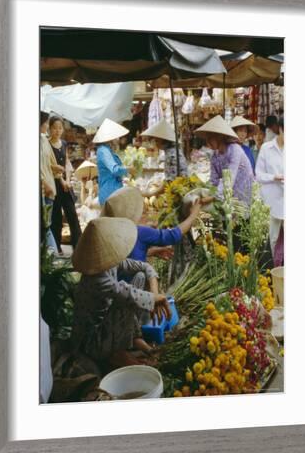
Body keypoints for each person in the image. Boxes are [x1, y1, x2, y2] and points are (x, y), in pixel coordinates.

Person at [71, 217, 171, 366]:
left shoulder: (110, 263)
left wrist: (155, 294)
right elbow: (127, 293)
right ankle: (118, 354)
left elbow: (145, 267)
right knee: (127, 299)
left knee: (139, 276)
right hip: (92, 340)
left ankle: (136, 340)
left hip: (108, 323)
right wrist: (155, 299)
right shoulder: (95, 279)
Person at [102, 186, 204, 263]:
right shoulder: (138, 232)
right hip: (131, 285)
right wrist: (193, 214)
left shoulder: (108, 235)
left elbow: (126, 259)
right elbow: (171, 236)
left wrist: (151, 252)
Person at [195, 115, 255, 206]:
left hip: (245, 196)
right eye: (207, 139)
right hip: (231, 198)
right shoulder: (215, 156)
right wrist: (205, 191)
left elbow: (229, 177)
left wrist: (213, 197)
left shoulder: (235, 150)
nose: (208, 142)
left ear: (219, 137)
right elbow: (213, 181)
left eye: (210, 138)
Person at [48, 115, 82, 254]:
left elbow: (67, 163)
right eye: (54, 128)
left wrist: (68, 180)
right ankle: (57, 248)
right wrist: (62, 180)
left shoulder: (64, 143)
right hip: (54, 185)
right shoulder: (47, 144)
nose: (57, 131)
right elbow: (50, 166)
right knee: (56, 217)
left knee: (72, 215)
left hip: (66, 186)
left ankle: (78, 247)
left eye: (60, 128)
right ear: (50, 129)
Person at [255, 119, 284, 265]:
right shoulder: (266, 148)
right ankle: (272, 272)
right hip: (271, 203)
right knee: (272, 239)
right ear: (280, 130)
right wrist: (273, 177)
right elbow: (258, 174)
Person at [141, 119, 189, 197]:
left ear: (163, 140)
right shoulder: (171, 151)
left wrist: (151, 194)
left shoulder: (172, 154)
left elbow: (170, 182)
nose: (155, 143)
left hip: (179, 192)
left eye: (157, 140)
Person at [93, 118, 130, 205]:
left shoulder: (108, 150)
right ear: (110, 138)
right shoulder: (103, 150)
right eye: (116, 136)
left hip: (113, 192)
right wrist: (128, 169)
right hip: (109, 193)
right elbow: (115, 170)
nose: (118, 139)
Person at [40, 111, 63, 252]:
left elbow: (48, 163)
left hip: (49, 190)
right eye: (47, 123)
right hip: (43, 189)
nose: (48, 126)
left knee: (45, 225)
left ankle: (50, 257)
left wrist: (56, 168)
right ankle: (53, 255)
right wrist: (45, 183)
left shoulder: (43, 139)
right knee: (45, 226)